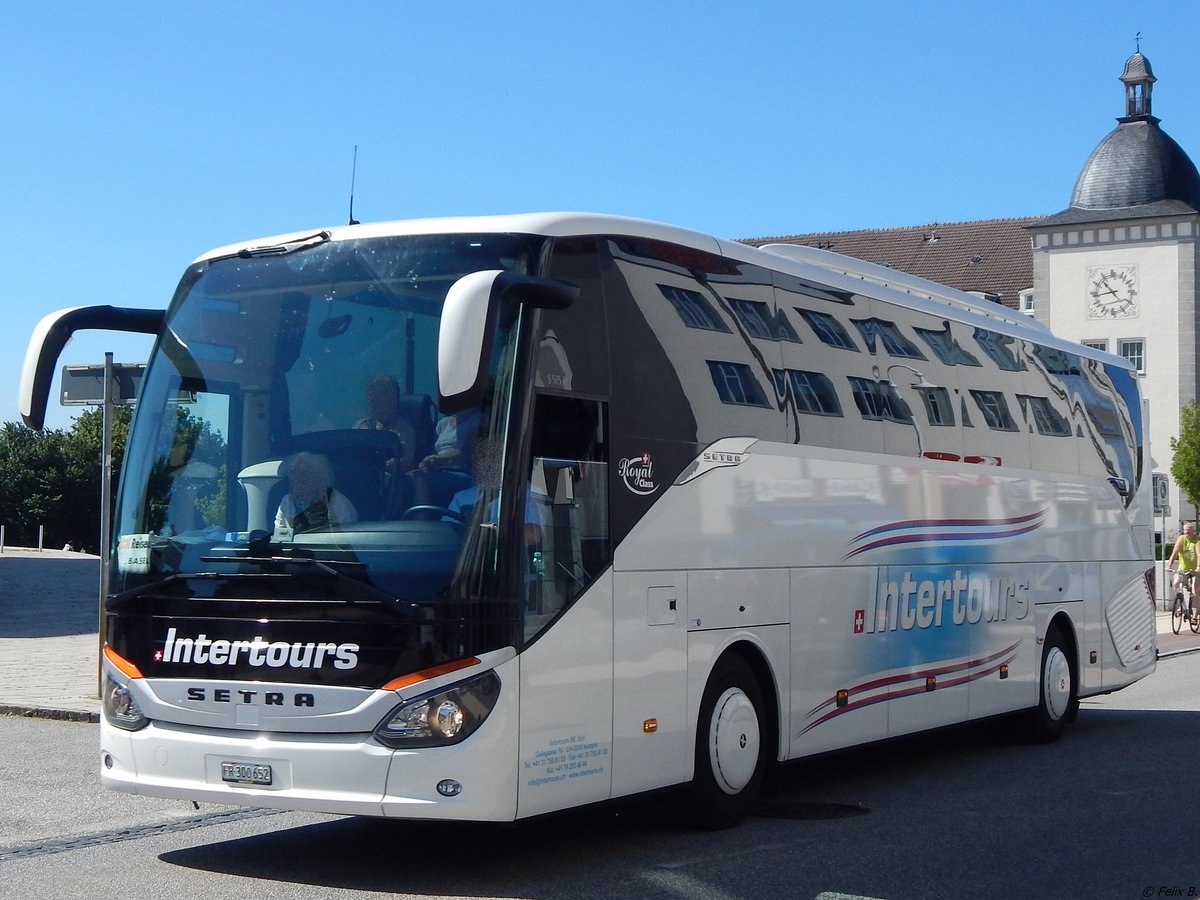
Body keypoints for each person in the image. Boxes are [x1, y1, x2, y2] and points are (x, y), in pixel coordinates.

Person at [274, 452, 358, 532]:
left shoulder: (337, 501)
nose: (296, 479)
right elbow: (279, 535)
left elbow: (347, 536)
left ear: (319, 478)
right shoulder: (287, 502)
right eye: (293, 474)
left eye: (304, 475)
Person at [356, 374, 417, 472]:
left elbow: (405, 463)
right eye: (371, 395)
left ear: (392, 400)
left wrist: (377, 465)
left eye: (378, 396)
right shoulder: (361, 425)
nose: (371, 400)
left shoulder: (404, 429)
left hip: (389, 483)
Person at [1167, 522, 1199, 621]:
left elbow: (1199, 554)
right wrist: (1169, 565)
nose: (1187, 531)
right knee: (1176, 583)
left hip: (1195, 570)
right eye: (1185, 529)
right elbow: (1174, 553)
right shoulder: (1181, 539)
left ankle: (1194, 616)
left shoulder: (1197, 540)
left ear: (1193, 531)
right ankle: (1181, 604)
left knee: (1194, 590)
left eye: (1189, 529)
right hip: (1183, 568)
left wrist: (1198, 567)